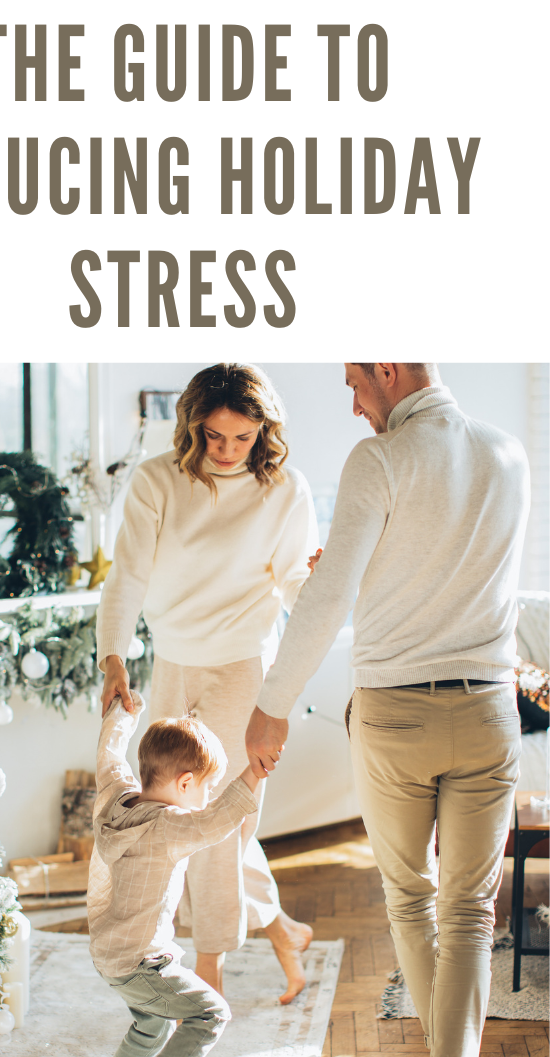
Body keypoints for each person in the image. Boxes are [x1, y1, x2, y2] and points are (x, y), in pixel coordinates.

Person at [246, 363, 531, 1057]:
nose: (351, 404)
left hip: (395, 716)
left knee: (410, 900)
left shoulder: (378, 458)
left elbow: (328, 598)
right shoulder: (508, 454)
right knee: (467, 914)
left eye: (354, 382)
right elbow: (463, 574)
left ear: (387, 369)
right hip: (489, 709)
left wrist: (271, 705)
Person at [97, 362, 319, 1003]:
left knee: (218, 822)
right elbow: (128, 576)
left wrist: (323, 589)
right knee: (169, 811)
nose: (226, 452)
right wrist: (115, 656)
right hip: (172, 661)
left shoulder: (285, 490)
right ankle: (281, 929)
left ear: (263, 433)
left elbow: (294, 584)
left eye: (241, 439)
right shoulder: (156, 481)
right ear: (192, 427)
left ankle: (210, 963)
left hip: (242, 668)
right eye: (213, 436)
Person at [88, 690, 259, 1057]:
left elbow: (109, 756)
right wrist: (254, 773)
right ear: (184, 783)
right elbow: (214, 822)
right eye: (207, 788)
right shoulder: (169, 825)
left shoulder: (119, 797)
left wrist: (123, 715)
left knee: (153, 1025)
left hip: (109, 953)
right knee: (211, 1013)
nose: (208, 798)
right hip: (141, 963)